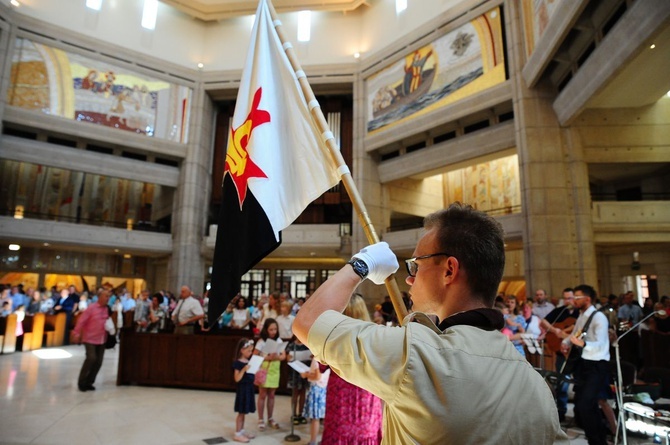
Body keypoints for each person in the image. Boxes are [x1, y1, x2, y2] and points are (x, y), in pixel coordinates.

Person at [294, 203, 568, 444]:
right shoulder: (536, 385)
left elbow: (308, 322)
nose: (410, 279)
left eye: (416, 265)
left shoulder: (415, 355)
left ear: (449, 270)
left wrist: (361, 264)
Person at [320, 294, 383, 445]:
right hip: (366, 392)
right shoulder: (375, 335)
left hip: (340, 394)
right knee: (365, 431)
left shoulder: (331, 337)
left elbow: (321, 366)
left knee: (339, 431)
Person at [561, 284, 611, 445]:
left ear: (587, 299)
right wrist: (566, 342)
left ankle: (599, 440)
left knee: (586, 404)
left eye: (577, 297)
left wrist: (583, 345)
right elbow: (575, 333)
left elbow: (602, 345)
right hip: (584, 364)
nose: (574, 300)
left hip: (597, 365)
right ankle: (594, 439)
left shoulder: (599, 317)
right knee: (583, 404)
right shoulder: (582, 316)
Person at [72, 288, 112, 392]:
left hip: (102, 338)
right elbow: (81, 321)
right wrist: (76, 333)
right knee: (91, 358)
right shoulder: (91, 308)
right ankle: (82, 382)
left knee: (98, 361)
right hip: (90, 338)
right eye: (106, 296)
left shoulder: (106, 309)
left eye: (109, 296)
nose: (108, 299)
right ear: (100, 297)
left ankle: (89, 382)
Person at [254, 318, 286, 431]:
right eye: (271, 329)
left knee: (272, 395)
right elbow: (255, 356)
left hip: (275, 370)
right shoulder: (261, 342)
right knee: (262, 395)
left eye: (275, 329)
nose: (273, 332)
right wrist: (267, 357)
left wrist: (277, 357)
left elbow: (283, 356)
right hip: (264, 369)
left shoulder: (279, 341)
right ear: (266, 330)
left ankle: (270, 418)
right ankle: (260, 419)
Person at [232, 338, 257, 443]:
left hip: (249, 388)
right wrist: (244, 369)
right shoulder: (238, 363)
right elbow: (237, 378)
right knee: (241, 412)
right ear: (242, 350)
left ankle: (241, 431)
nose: (250, 353)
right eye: (248, 351)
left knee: (244, 411)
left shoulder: (249, 361)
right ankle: (237, 433)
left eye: (251, 351)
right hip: (242, 390)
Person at [301, 358, 330, 445]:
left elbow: (317, 376)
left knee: (315, 418)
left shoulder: (317, 358)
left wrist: (305, 375)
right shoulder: (329, 357)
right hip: (325, 388)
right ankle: (325, 439)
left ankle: (313, 441)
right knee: (325, 417)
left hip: (316, 389)